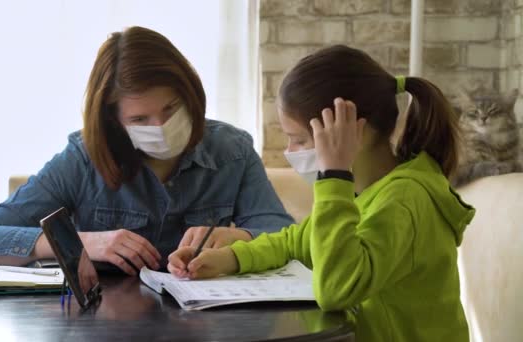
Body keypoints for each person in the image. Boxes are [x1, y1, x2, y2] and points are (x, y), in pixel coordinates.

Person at [168, 45, 475, 342]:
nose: (290, 152)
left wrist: (334, 176)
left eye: (299, 140)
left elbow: (338, 289)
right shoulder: (364, 192)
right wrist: (228, 259)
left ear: (355, 131)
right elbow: (295, 243)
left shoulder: (405, 200)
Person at [0, 26, 294, 275]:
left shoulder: (232, 150)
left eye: (171, 109)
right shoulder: (82, 158)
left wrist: (242, 238)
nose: (161, 127)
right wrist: (82, 243)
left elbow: (287, 235)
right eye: (140, 119)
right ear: (114, 120)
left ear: (190, 95)